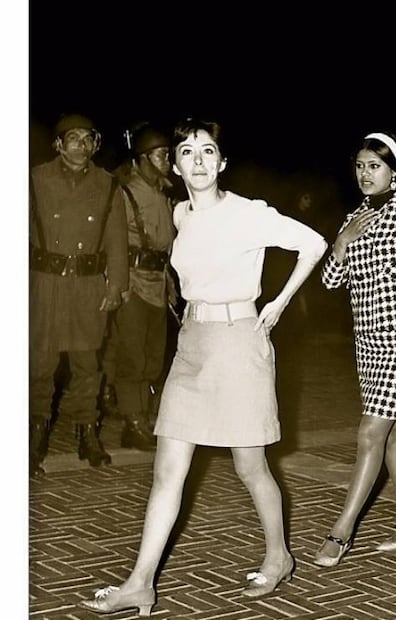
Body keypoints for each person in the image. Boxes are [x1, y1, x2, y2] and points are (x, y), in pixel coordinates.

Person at [79, 119, 327, 615]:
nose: (198, 160)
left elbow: (314, 244)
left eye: (208, 151)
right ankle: (139, 582)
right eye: (187, 152)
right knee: (167, 471)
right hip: (192, 346)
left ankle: (279, 556)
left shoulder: (248, 213)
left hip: (239, 345)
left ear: (222, 162)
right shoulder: (179, 215)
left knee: (250, 466)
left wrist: (277, 303)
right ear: (174, 166)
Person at [314, 132, 396, 566]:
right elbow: (330, 281)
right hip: (368, 344)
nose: (365, 173)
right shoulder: (354, 219)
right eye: (359, 165)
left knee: (371, 431)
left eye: (374, 165)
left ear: (394, 170)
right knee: (392, 438)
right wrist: (341, 242)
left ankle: (341, 531)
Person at [29, 113, 128, 476]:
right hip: (45, 284)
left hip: (87, 289)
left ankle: (87, 434)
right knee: (40, 365)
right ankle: (34, 434)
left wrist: (116, 285)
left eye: (89, 139)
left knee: (88, 366)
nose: (82, 146)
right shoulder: (35, 179)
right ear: (59, 144)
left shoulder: (107, 184)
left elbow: (117, 239)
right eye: (74, 138)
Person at [105, 124, 179, 451]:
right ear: (143, 158)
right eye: (163, 155)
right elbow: (113, 244)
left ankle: (141, 415)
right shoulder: (124, 191)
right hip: (132, 282)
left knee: (153, 358)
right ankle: (134, 422)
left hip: (158, 282)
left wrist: (171, 283)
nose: (169, 161)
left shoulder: (164, 192)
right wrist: (117, 284)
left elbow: (167, 248)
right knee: (132, 357)